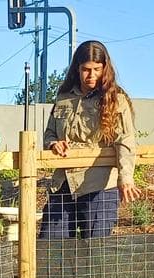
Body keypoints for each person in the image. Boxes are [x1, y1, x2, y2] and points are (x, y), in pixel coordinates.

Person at [40, 40, 142, 241]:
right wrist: (53, 143)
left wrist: (126, 178)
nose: (91, 75)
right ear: (77, 69)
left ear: (105, 68)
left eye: (97, 69)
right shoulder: (63, 98)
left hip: (99, 187)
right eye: (86, 70)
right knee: (49, 248)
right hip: (64, 183)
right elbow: (49, 134)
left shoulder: (116, 100)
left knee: (96, 255)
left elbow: (125, 142)